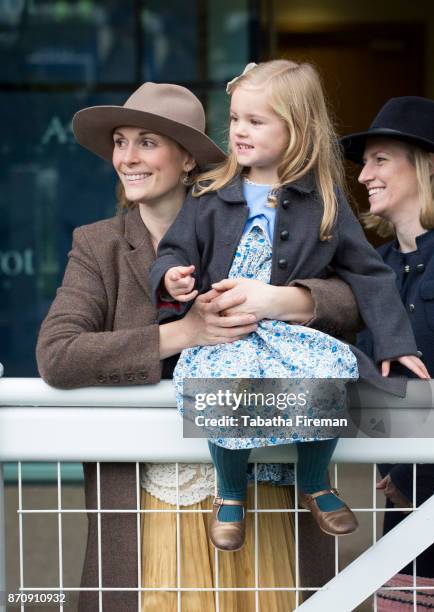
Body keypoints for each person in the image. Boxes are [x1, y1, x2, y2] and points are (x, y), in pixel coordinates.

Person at [36, 81, 362, 611]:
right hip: (154, 493)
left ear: (188, 158)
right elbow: (57, 355)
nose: (127, 157)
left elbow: (353, 298)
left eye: (147, 142)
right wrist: (184, 334)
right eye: (120, 142)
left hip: (267, 488)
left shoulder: (252, 212)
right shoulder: (98, 244)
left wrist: (280, 300)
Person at [150, 60, 429, 553]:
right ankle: (230, 494)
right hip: (228, 329)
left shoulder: (323, 199)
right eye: (235, 118)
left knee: (331, 366)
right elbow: (174, 249)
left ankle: (316, 483)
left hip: (288, 331)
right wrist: (170, 276)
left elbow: (367, 272)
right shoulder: (210, 193)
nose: (239, 131)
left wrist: (395, 342)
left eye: (256, 122)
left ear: (296, 130)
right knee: (225, 380)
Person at [342, 95, 434, 609]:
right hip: (403, 514)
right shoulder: (370, 269)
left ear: (424, 166)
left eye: (380, 160)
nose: (363, 176)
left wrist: (406, 475)